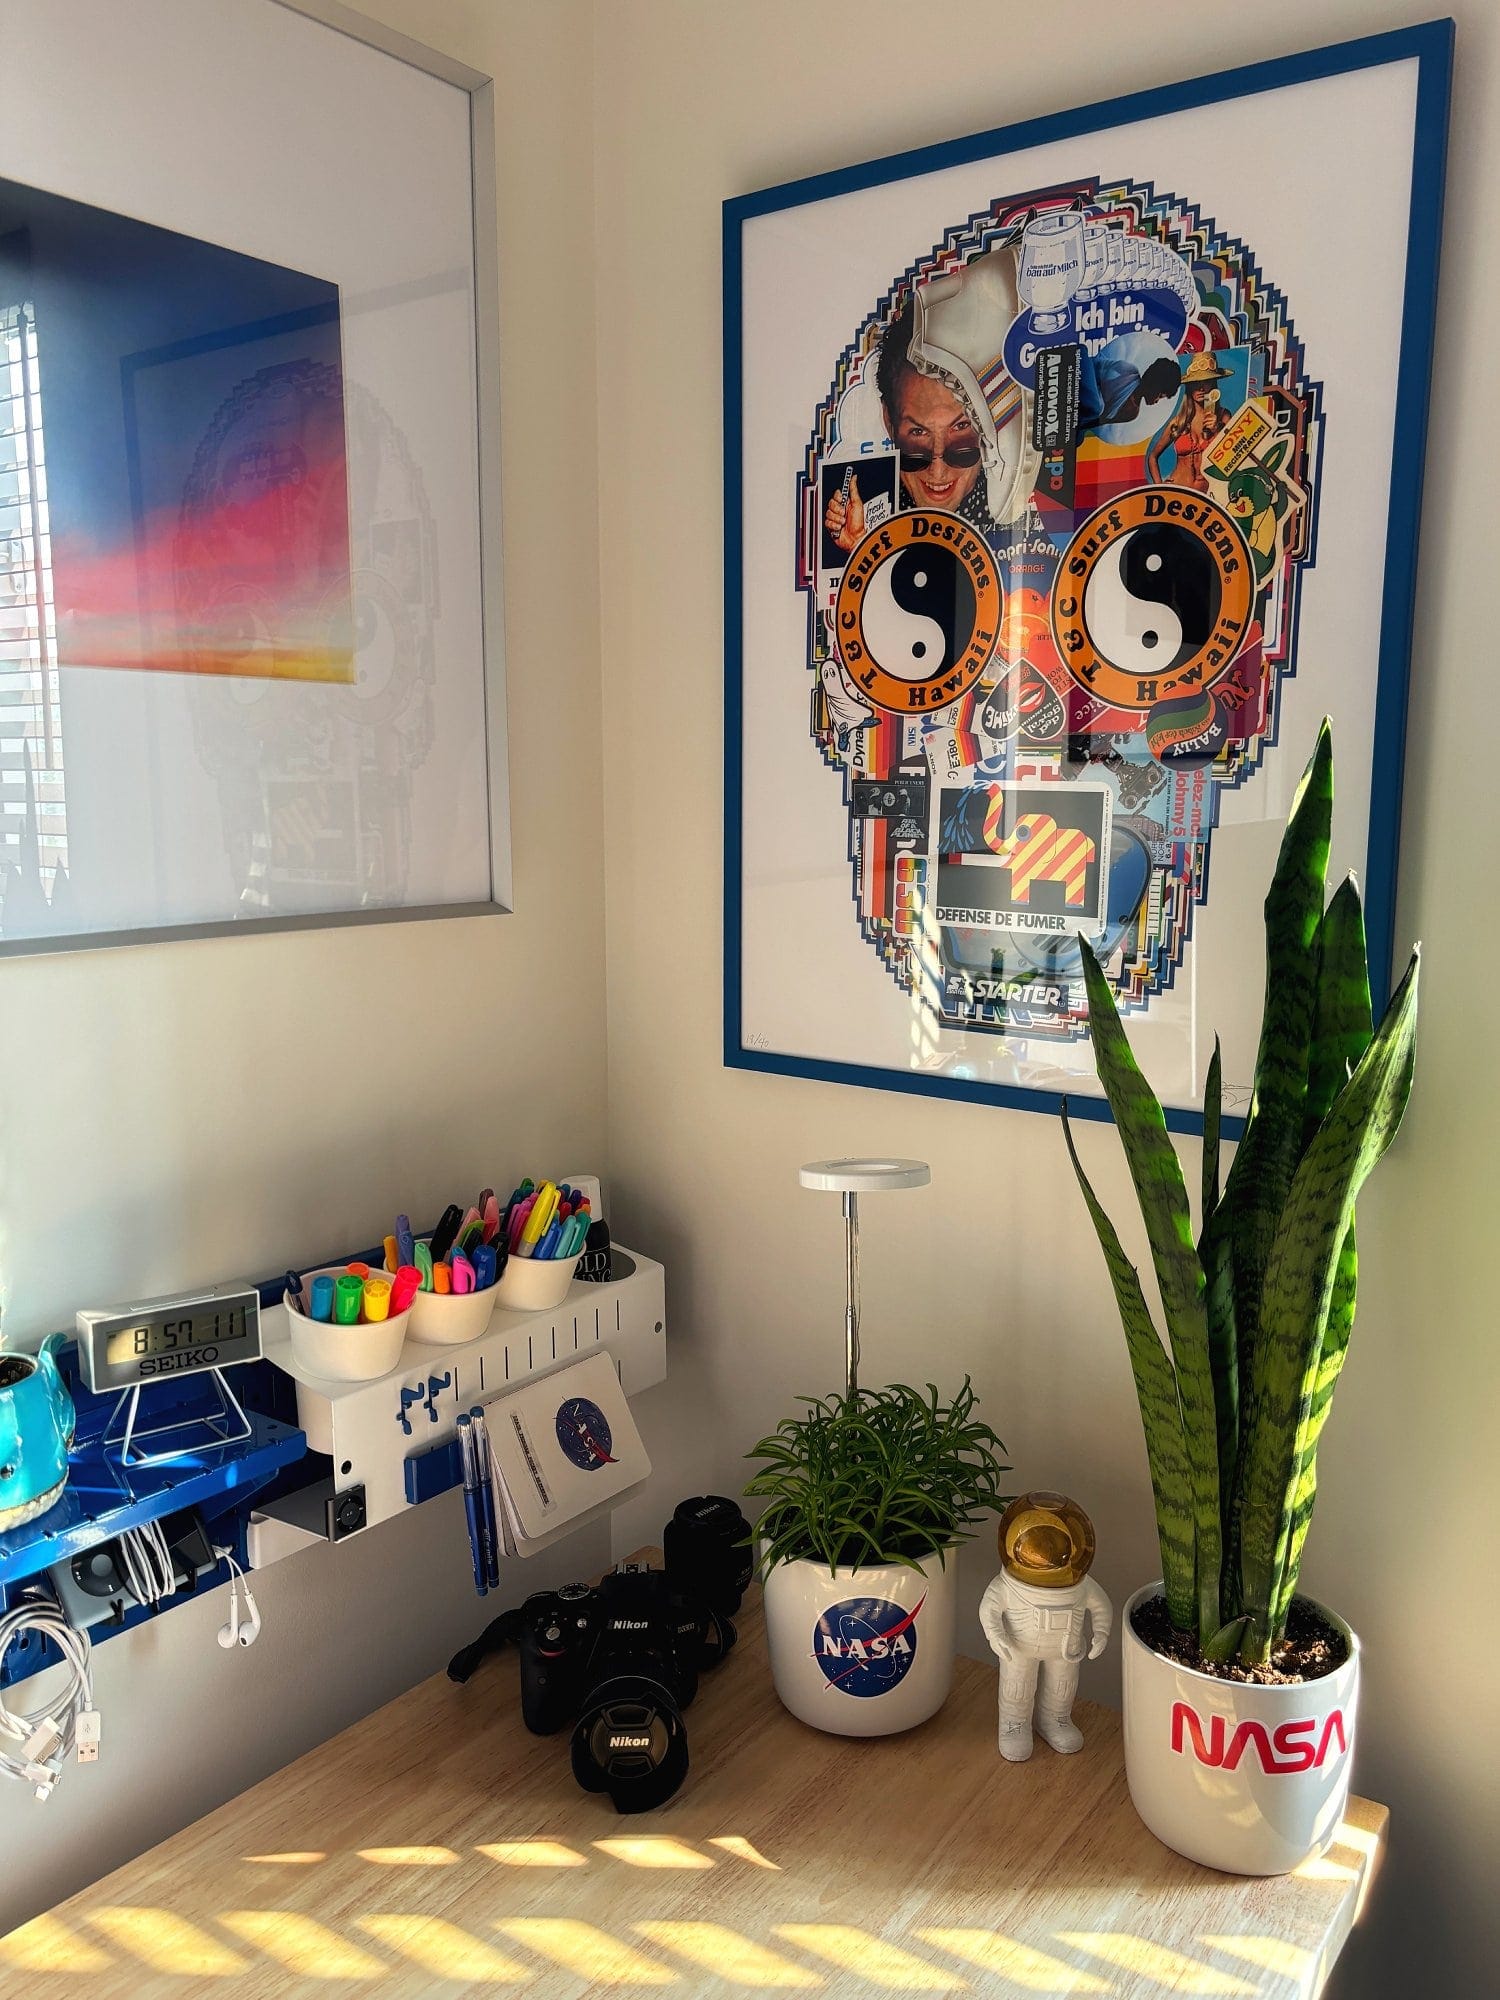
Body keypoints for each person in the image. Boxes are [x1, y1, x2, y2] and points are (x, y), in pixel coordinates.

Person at [825, 295, 993, 550]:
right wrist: (860, 549)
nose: (938, 472)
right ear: (889, 422)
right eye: (917, 432)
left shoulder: (1019, 513)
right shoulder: (865, 512)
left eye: (960, 428)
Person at [980, 1491, 1113, 1762]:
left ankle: (1056, 1719)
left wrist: (1101, 1632)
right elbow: (988, 1610)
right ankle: (1014, 1725)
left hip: (1066, 1649)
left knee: (1063, 1685)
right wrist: (996, 1637)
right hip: (1018, 1648)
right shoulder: (1006, 1587)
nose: (1044, 1556)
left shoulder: (1081, 1585)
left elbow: (1102, 1607)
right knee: (1016, 1685)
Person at [1145, 350, 1233, 491]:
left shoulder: (1223, 417)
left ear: (1213, 384)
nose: (1201, 388)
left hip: (1209, 496)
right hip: (1178, 494)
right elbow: (1153, 457)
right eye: (1196, 382)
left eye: (1207, 381)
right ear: (1189, 385)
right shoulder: (1178, 422)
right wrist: (1159, 487)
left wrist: (1219, 429)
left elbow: (1238, 455)